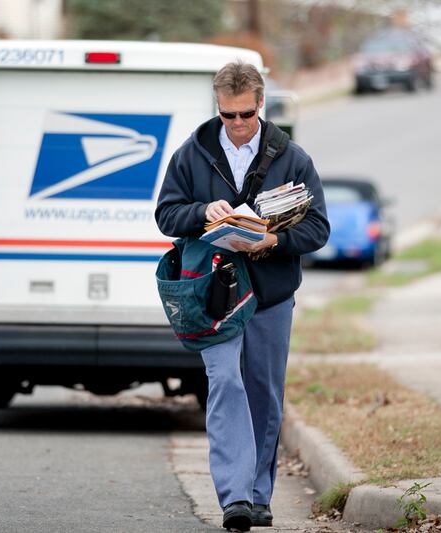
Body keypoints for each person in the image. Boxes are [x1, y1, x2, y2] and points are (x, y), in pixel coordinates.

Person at [155, 61, 330, 531]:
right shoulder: (192, 154)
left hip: (270, 294)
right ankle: (234, 498)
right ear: (218, 108)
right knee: (225, 382)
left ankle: (258, 495)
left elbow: (318, 229)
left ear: (261, 104)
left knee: (263, 394)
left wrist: (273, 240)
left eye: (245, 115)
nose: (235, 125)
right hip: (213, 296)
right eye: (227, 115)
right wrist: (199, 212)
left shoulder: (292, 158)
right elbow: (166, 215)